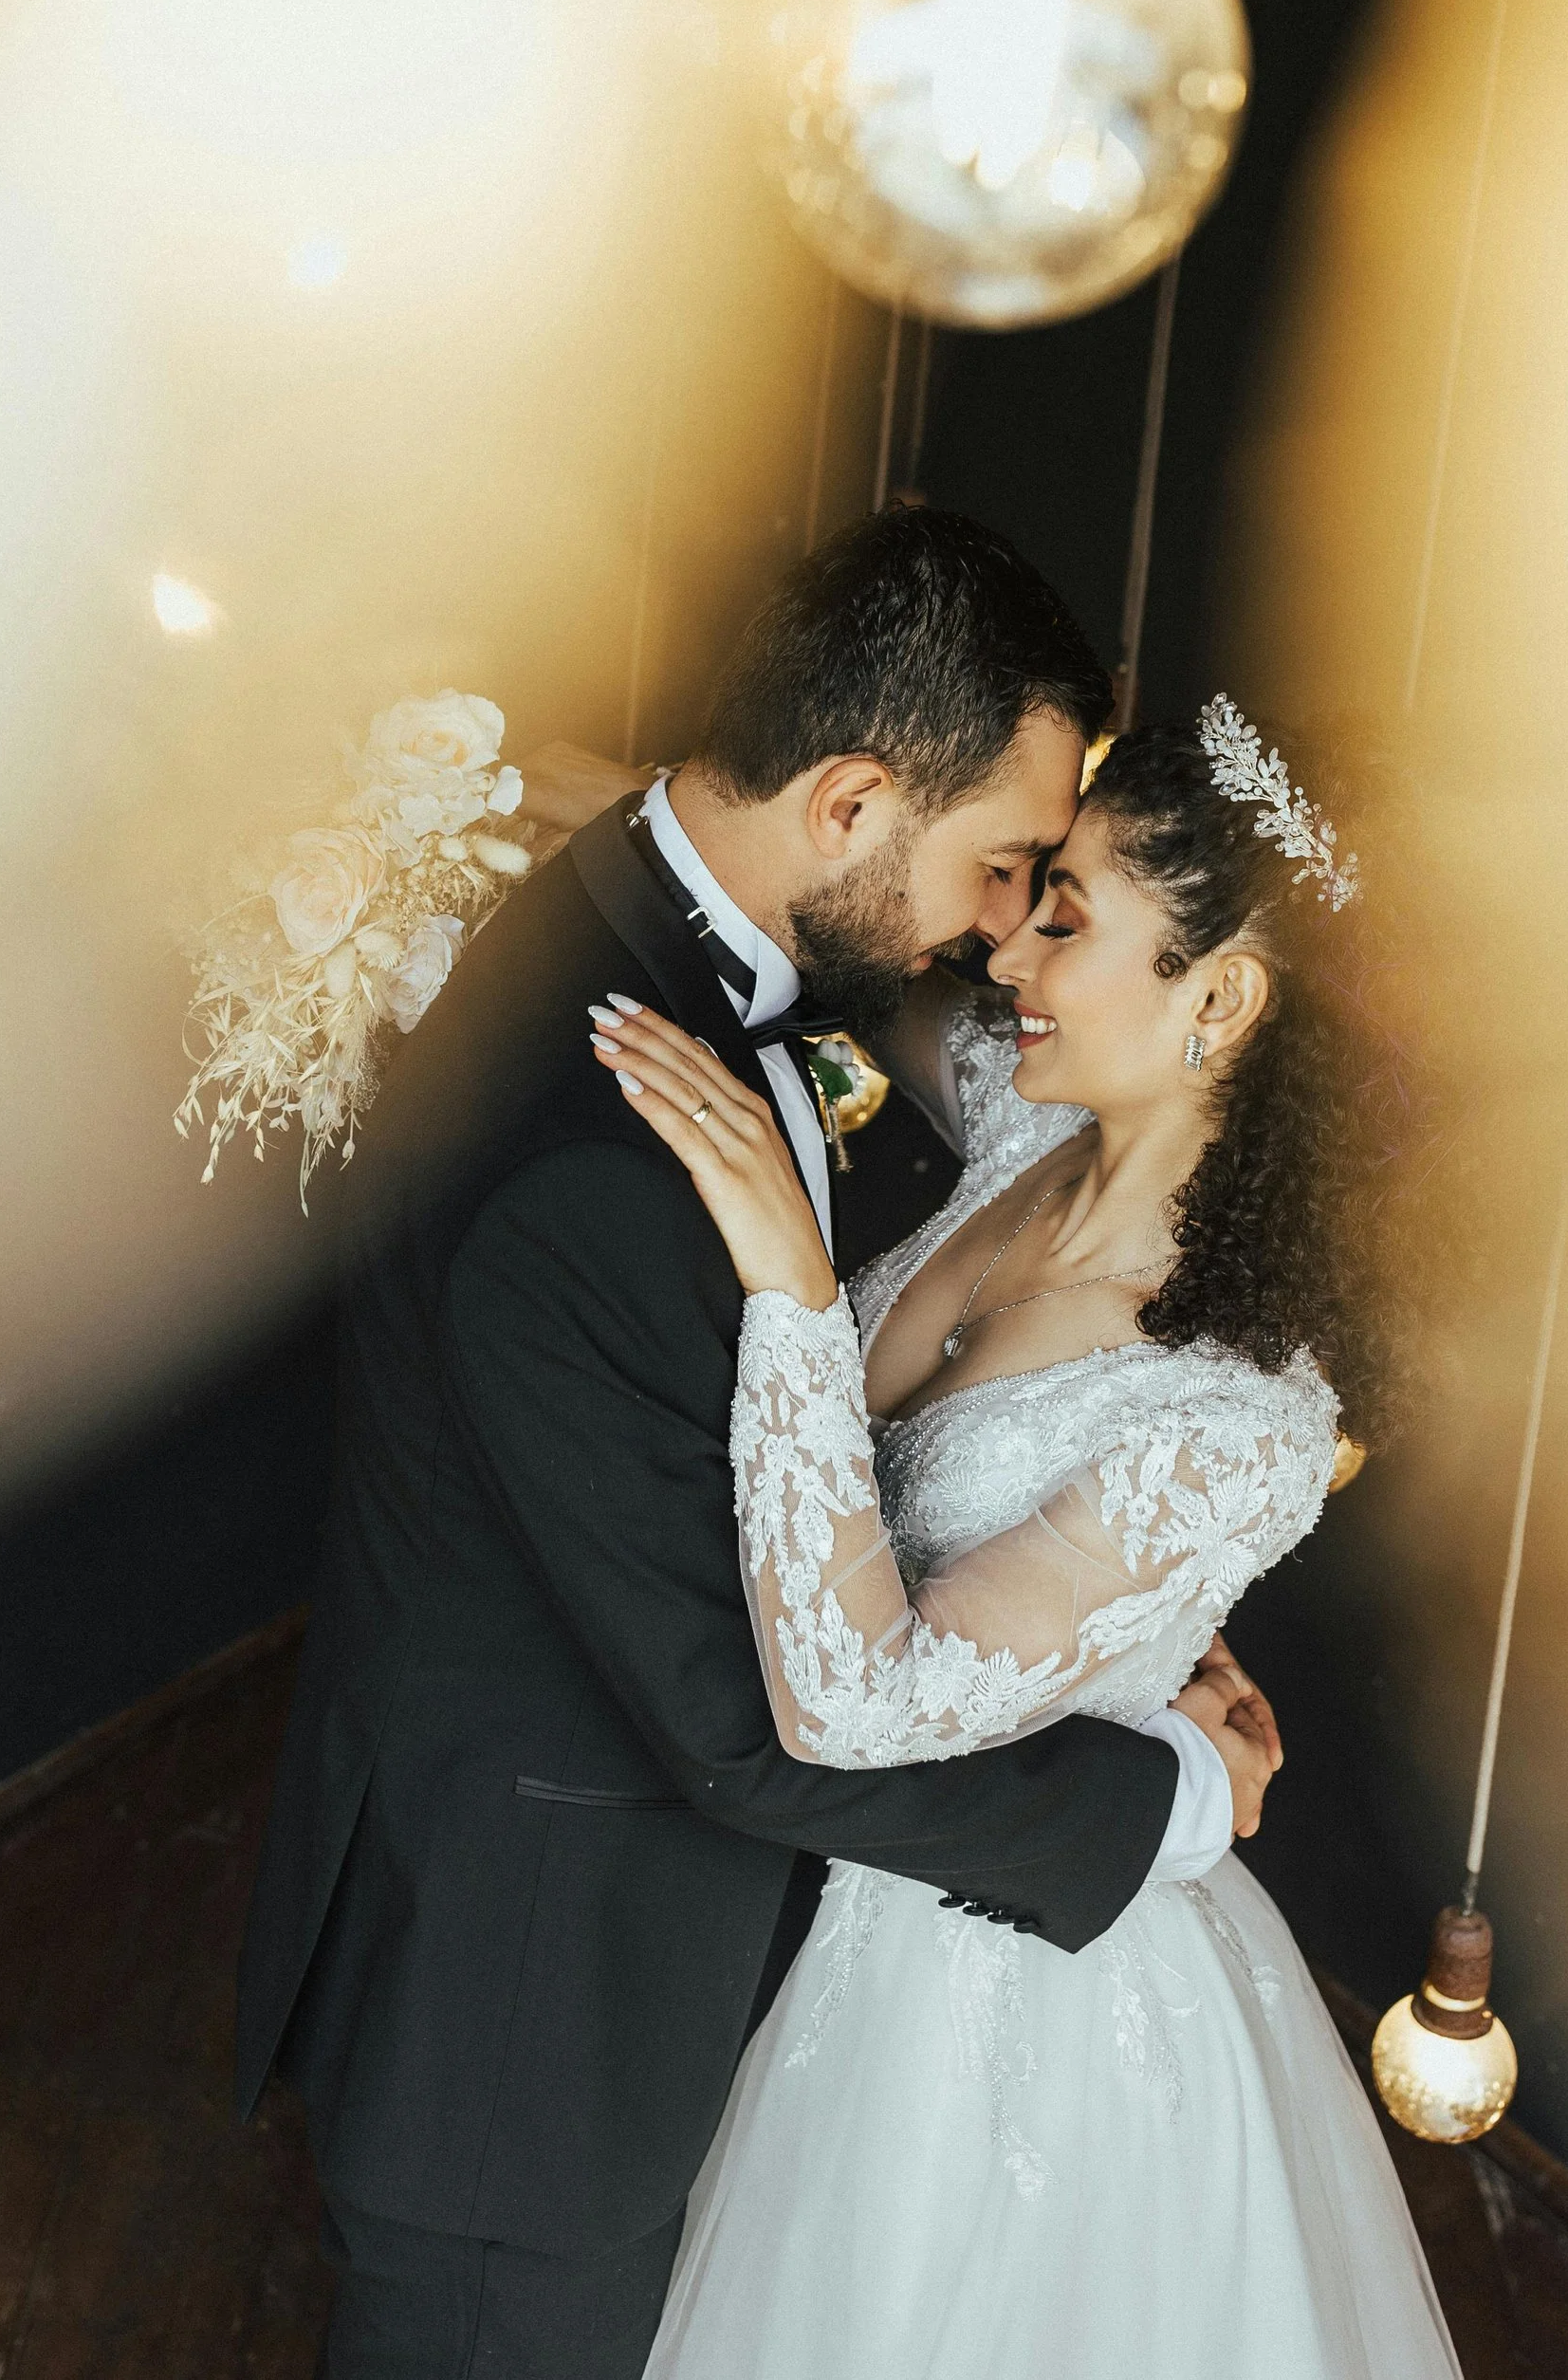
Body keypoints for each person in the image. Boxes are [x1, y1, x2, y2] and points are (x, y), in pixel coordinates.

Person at [235, 511, 1280, 2380]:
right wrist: (1162, 1796)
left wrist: (1116, 1604)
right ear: (850, 801)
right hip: (533, 2024)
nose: (993, 934)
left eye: (1047, 893)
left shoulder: (636, 914)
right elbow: (743, 1723)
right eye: (999, 869)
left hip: (677, 1959)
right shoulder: (598, 1167)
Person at [600, 702, 1462, 2380]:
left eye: (1066, 917)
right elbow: (843, 895)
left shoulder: (1232, 1416)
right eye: (1029, 893)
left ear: (1221, 994)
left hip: (1001, 2024)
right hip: (804, 1912)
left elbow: (855, 1700)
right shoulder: (1022, 1116)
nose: (1011, 946)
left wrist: (793, 1293)